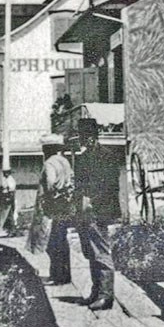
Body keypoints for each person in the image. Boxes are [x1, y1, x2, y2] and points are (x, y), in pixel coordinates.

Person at [72, 118, 117, 310]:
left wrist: (92, 201)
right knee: (90, 253)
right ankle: (96, 291)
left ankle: (106, 296)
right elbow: (79, 186)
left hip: (100, 212)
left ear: (91, 137)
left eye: (83, 136)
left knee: (101, 253)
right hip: (84, 213)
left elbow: (110, 186)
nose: (81, 140)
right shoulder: (82, 158)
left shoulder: (108, 156)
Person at [39, 134, 77, 285]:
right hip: (66, 205)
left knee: (52, 242)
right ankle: (65, 275)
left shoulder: (49, 163)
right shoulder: (65, 162)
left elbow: (50, 183)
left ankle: (57, 275)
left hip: (53, 206)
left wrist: (48, 197)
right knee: (62, 240)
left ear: (47, 149)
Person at [0, 168, 18, 234]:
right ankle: (8, 230)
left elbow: (11, 191)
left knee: (10, 215)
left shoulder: (10, 180)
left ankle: (12, 231)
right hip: (5, 197)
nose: (4, 174)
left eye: (6, 172)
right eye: (4, 172)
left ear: (8, 173)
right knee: (6, 215)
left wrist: (8, 198)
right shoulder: (6, 179)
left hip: (9, 198)